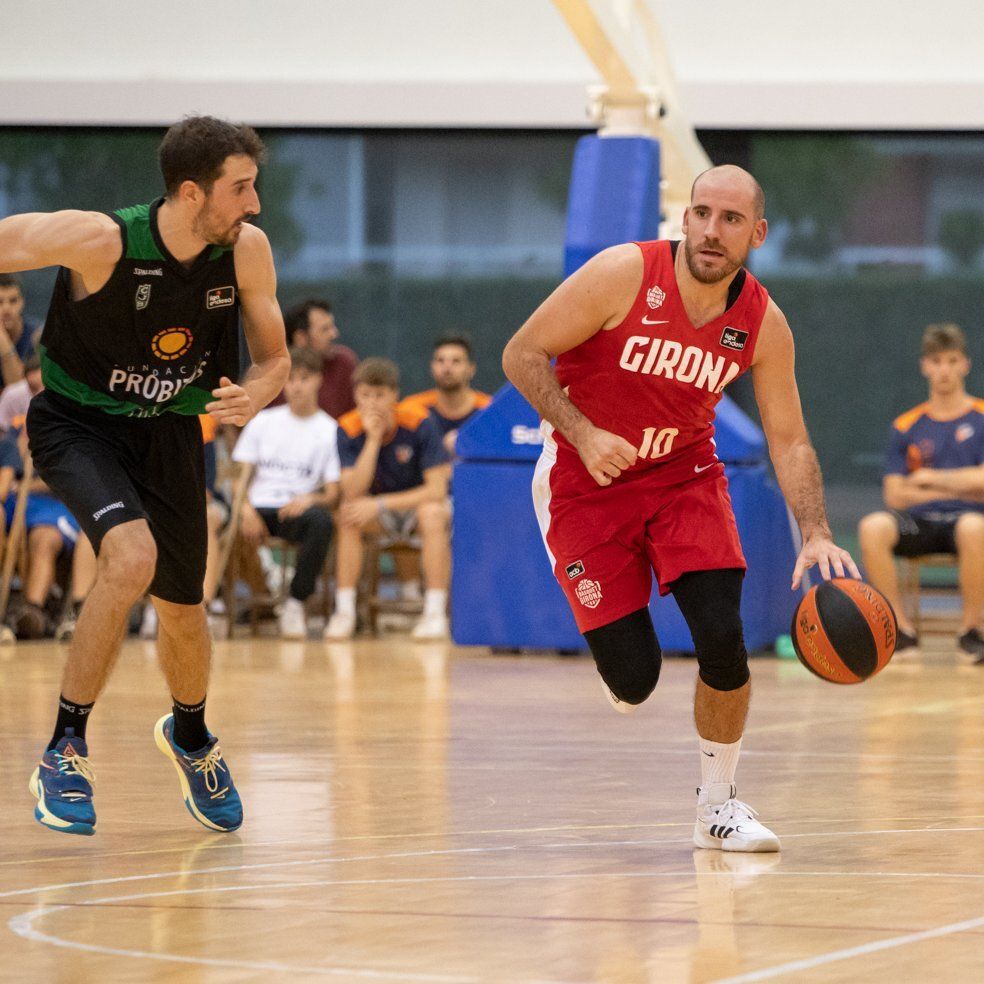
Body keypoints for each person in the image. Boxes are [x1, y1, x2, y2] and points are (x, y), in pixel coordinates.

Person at [503, 164, 859, 854]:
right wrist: (581, 431)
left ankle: (717, 807)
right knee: (634, 681)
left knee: (722, 637)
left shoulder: (762, 321)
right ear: (685, 218)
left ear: (756, 234)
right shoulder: (622, 274)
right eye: (702, 213)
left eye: (730, 220)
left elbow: (788, 439)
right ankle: (620, 664)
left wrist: (814, 531)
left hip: (685, 476)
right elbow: (522, 355)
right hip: (587, 480)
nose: (711, 231)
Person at [0, 115, 290, 836]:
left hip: (168, 433)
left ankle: (190, 735)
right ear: (191, 193)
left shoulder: (246, 252)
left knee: (184, 612)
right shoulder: (100, 240)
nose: (254, 204)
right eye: (241, 188)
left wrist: (255, 394)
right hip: (77, 424)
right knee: (131, 557)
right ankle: (65, 747)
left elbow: (276, 359)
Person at [858, 323, 984, 662]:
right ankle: (900, 630)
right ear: (925, 366)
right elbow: (895, 496)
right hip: (921, 523)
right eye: (937, 361)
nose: (944, 369)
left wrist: (929, 478)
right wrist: (965, 484)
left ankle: (971, 632)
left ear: (965, 365)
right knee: (873, 526)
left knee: (975, 527)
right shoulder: (906, 426)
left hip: (970, 522)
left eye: (952, 360)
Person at [324, 357, 452, 641]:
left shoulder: (419, 422)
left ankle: (434, 614)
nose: (372, 403)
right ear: (355, 394)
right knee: (347, 514)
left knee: (434, 513)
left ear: (394, 395)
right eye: (365, 395)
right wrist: (372, 440)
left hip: (415, 507)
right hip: (375, 514)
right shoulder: (347, 427)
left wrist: (380, 503)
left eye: (379, 395)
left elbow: (436, 490)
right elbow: (352, 491)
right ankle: (344, 613)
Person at [232, 347, 340, 639]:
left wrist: (309, 499)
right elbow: (238, 479)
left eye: (304, 378)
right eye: (291, 379)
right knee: (222, 524)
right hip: (259, 507)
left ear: (318, 380)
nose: (296, 386)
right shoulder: (263, 421)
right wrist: (245, 510)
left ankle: (295, 601)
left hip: (296, 510)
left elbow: (332, 493)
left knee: (322, 522)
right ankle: (242, 597)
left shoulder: (329, 430)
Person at [0, 423, 81, 638]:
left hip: (52, 508)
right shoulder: (11, 437)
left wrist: (27, 485)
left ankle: (32, 611)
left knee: (44, 539)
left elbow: (70, 476)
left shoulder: (66, 435)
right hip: (14, 507)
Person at [401, 334, 491, 456]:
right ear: (432, 367)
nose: (447, 368)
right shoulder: (412, 407)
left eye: (456, 361)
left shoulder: (489, 410)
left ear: (471, 369)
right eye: (440, 360)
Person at [283, 298, 358, 419]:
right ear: (301, 338)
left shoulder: (345, 363)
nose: (334, 334)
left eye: (332, 326)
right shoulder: (274, 373)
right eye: (325, 329)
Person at [0, 272, 42, 385]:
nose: (6, 308)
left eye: (13, 301)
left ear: (22, 302)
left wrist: (4, 343)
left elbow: (23, 392)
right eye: (0, 302)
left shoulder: (37, 336)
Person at [0, 353, 44, 433]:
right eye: (33, 373)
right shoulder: (12, 393)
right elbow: (2, 422)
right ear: (27, 375)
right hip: (12, 435)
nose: (37, 377)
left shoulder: (50, 392)